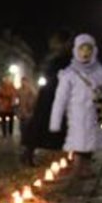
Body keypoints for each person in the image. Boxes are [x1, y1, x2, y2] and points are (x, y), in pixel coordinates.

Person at [49, 33, 102, 179]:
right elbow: (60, 98)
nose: (85, 53)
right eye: (82, 49)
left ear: (93, 51)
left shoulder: (99, 71)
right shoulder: (69, 73)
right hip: (76, 113)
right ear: (76, 51)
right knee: (78, 141)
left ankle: (86, 168)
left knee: (90, 141)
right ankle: (77, 168)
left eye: (88, 49)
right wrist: (55, 121)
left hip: (93, 112)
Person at [21, 30, 72, 166]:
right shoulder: (56, 58)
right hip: (51, 94)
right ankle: (28, 153)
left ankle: (75, 157)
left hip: (56, 93)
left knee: (60, 125)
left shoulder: (64, 57)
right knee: (41, 124)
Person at [16, 76, 37, 147]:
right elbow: (16, 99)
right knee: (21, 127)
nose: (23, 83)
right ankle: (23, 140)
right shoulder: (19, 90)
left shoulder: (31, 89)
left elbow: (35, 98)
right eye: (22, 81)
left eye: (24, 81)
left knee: (27, 126)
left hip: (28, 111)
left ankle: (27, 140)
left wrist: (30, 105)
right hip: (21, 111)